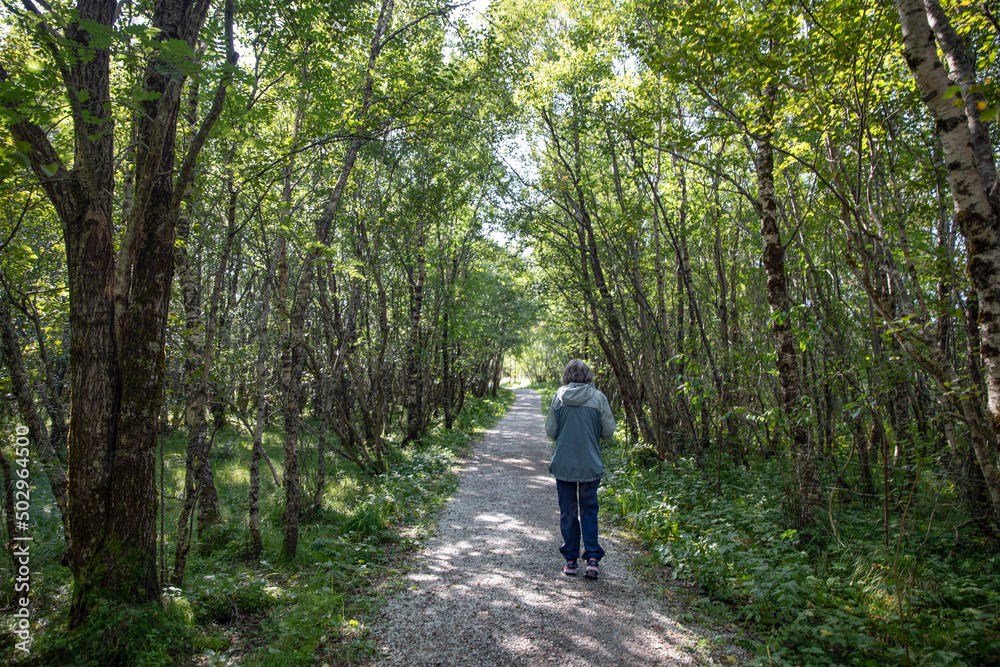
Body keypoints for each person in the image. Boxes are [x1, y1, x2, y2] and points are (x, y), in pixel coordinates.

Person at [545, 359, 616, 579]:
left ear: (566, 375)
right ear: (588, 376)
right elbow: (609, 431)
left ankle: (570, 561)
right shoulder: (598, 398)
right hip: (590, 463)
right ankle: (592, 558)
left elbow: (550, 430)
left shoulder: (559, 397)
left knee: (568, 510)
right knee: (589, 509)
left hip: (564, 464)